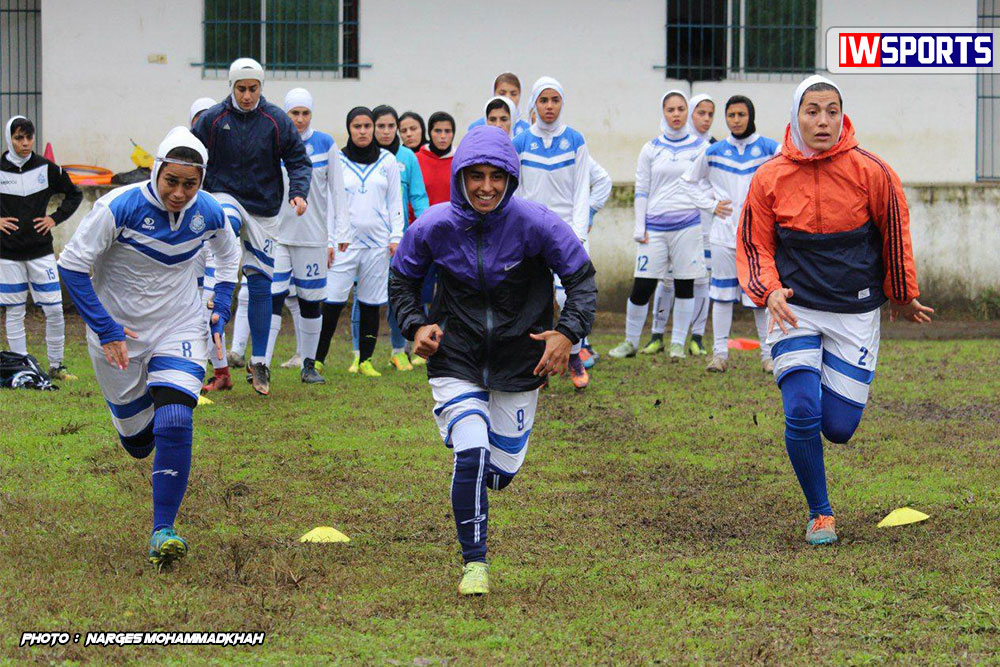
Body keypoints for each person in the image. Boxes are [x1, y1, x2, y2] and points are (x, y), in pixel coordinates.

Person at [389, 125, 597, 596]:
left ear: (511, 178)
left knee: (498, 474)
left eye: (497, 176)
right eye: (476, 175)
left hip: (520, 365)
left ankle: (478, 474)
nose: (486, 186)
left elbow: (582, 280)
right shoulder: (434, 225)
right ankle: (474, 564)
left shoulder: (538, 223)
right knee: (472, 450)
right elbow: (401, 280)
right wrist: (416, 326)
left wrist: (567, 334)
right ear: (460, 176)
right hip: (454, 357)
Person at [737, 75, 932, 545]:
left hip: (854, 312)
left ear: (842, 115)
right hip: (795, 309)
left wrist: (902, 295)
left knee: (839, 428)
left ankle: (824, 380)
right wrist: (768, 291)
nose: (822, 121)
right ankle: (820, 513)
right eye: (812, 110)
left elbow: (894, 236)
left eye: (831, 110)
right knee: (802, 410)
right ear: (795, 115)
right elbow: (754, 243)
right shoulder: (769, 177)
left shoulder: (874, 172)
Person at [57, 127, 240, 567]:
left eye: (190, 184)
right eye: (171, 181)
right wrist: (106, 328)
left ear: (201, 181)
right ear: (156, 171)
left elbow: (229, 255)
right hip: (117, 335)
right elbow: (71, 266)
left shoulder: (209, 211)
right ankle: (136, 424)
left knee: (176, 418)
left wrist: (223, 301)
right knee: (139, 443)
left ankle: (163, 530)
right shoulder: (117, 207)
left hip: (179, 324)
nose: (179, 192)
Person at [191, 57, 311, 396]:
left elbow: (298, 161)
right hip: (223, 196)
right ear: (231, 87)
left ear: (261, 87)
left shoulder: (276, 121)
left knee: (261, 283)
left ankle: (260, 362)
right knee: (226, 223)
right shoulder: (213, 119)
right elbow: (191, 155)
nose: (247, 95)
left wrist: (299, 193)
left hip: (264, 209)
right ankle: (219, 296)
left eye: (252, 89)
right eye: (241, 89)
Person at [253, 87, 348, 385]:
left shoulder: (325, 143)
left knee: (310, 300)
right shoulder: (272, 142)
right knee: (272, 296)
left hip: (313, 236)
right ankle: (262, 363)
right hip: (277, 235)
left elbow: (337, 191)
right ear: (285, 113)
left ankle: (309, 364)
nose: (300, 119)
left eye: (305, 113)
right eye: (294, 113)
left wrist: (339, 233)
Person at [682, 95, 779, 373]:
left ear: (751, 116)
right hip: (723, 235)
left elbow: (788, 179)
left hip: (757, 236)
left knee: (761, 298)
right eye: (731, 115)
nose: (736, 120)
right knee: (722, 296)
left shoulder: (771, 149)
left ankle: (768, 355)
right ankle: (720, 355)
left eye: (741, 114)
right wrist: (711, 205)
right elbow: (689, 181)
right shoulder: (714, 151)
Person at [608, 90, 707, 361]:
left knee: (685, 285)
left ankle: (677, 343)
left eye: (680, 109)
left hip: (688, 226)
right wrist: (640, 227)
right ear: (663, 112)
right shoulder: (651, 148)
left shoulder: (700, 149)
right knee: (642, 287)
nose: (676, 114)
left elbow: (707, 186)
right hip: (654, 229)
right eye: (670, 109)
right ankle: (630, 342)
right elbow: (642, 189)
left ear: (687, 112)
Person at [512, 76, 592, 388]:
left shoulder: (576, 140)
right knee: (533, 298)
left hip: (567, 233)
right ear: (534, 104)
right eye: (543, 100)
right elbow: (516, 192)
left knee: (569, 294)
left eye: (555, 100)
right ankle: (538, 364)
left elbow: (582, 189)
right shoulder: (520, 143)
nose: (549, 106)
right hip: (531, 233)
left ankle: (573, 354)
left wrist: (579, 232)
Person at [314, 107, 403, 377]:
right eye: (357, 126)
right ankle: (317, 359)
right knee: (331, 302)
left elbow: (395, 202)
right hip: (344, 244)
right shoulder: (338, 161)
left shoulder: (387, 160)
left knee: (370, 303)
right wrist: (329, 241)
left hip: (377, 244)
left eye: (367, 126)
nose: (363, 131)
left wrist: (396, 236)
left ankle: (366, 360)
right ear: (349, 129)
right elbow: (329, 205)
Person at [347, 104, 429, 372]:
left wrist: (426, 228)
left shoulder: (407, 157)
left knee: (398, 296)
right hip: (365, 241)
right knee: (361, 296)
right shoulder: (359, 158)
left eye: (390, 126)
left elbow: (417, 196)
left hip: (398, 242)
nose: (384, 131)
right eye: (379, 125)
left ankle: (399, 350)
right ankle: (359, 354)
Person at [1, 115, 83, 380]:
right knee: (15, 311)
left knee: (55, 309)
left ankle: (57, 366)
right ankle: (22, 367)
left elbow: (75, 194)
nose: (25, 143)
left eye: (29, 137)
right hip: (7, 254)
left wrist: (54, 218)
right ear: (9, 139)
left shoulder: (47, 168)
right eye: (18, 138)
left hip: (41, 253)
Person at [643, 93, 716, 357]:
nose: (705, 119)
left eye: (710, 114)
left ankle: (695, 336)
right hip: (674, 225)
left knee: (700, 282)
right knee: (666, 281)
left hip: (705, 227)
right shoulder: (663, 147)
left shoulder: (714, 148)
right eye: (700, 112)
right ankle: (657, 333)